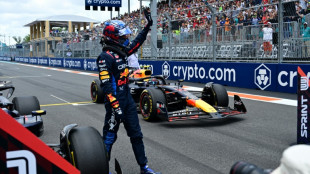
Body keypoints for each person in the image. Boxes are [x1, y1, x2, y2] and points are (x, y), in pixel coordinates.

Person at [97, 9, 161, 174]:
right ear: (114, 38)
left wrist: (148, 27)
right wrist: (116, 107)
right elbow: (106, 86)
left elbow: (137, 42)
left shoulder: (123, 52)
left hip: (127, 101)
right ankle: (103, 169)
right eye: (123, 37)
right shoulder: (105, 58)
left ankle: (144, 167)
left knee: (137, 135)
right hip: (114, 104)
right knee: (110, 138)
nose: (127, 39)